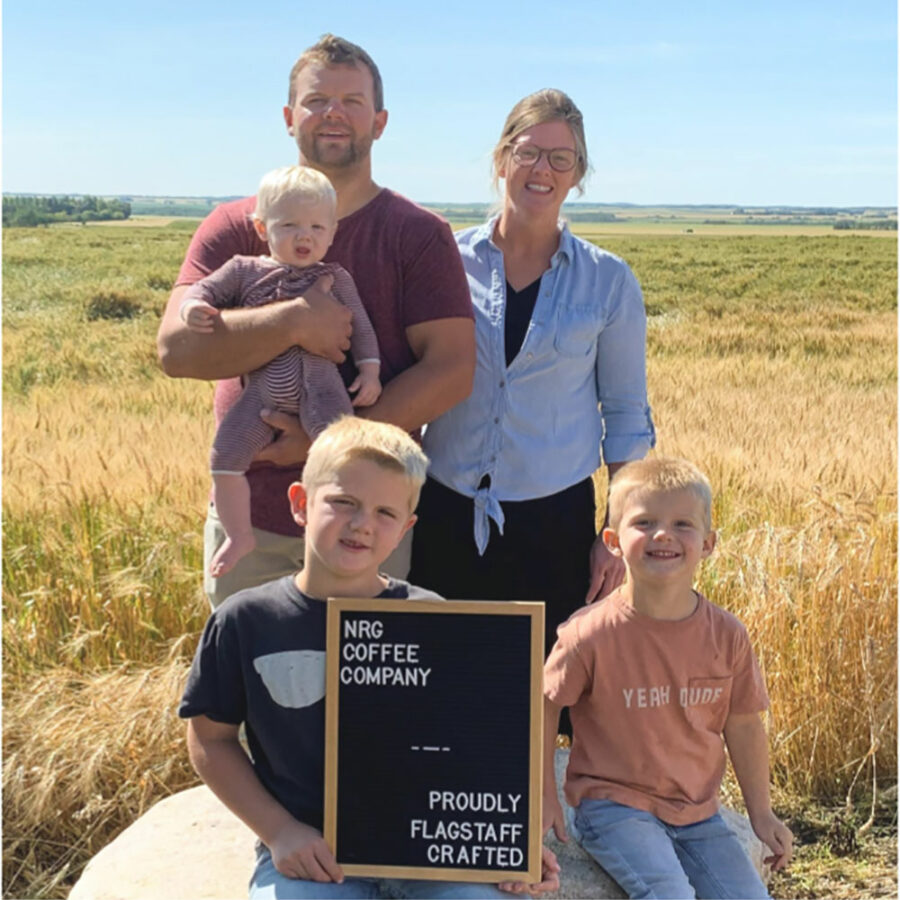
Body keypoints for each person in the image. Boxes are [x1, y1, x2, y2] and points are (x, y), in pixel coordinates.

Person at [179, 417, 559, 899]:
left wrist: (507, 845)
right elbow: (209, 738)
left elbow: (470, 747)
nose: (362, 524)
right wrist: (278, 831)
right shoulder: (246, 620)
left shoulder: (432, 616)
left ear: (405, 529)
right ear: (300, 503)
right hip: (312, 852)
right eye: (343, 503)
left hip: (430, 850)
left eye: (385, 512)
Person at [157, 34, 474, 608]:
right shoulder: (235, 226)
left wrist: (329, 446)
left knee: (366, 669)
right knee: (249, 665)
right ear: (288, 118)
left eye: (352, 101)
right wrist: (297, 321)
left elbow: (451, 370)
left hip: (369, 528)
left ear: (379, 122)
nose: (333, 113)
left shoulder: (417, 234)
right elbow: (176, 351)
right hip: (251, 523)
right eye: (316, 100)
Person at [408, 89, 655, 670]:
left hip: (555, 524)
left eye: (560, 158)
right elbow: (410, 380)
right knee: (439, 686)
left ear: (578, 174)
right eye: (527, 152)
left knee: (545, 692)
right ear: (501, 160)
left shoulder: (609, 281)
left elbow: (625, 416)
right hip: (442, 509)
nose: (542, 169)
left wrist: (615, 531)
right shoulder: (445, 261)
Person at [542, 457, 793, 899]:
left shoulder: (727, 634)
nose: (663, 535)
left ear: (708, 543)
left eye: (682, 524)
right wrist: (545, 792)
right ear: (613, 541)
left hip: (699, 814)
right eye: (645, 522)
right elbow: (543, 706)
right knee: (669, 893)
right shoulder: (589, 633)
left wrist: (762, 813)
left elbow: (743, 723)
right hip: (612, 807)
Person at [180, 165, 381, 580]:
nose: (304, 236)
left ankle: (339, 535)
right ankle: (239, 535)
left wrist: (370, 370)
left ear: (332, 232)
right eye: (289, 225)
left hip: (322, 390)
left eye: (316, 227)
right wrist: (192, 308)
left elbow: (361, 326)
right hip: (261, 397)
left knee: (342, 458)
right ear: (261, 227)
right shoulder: (243, 270)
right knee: (224, 457)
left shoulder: (334, 278)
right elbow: (203, 289)